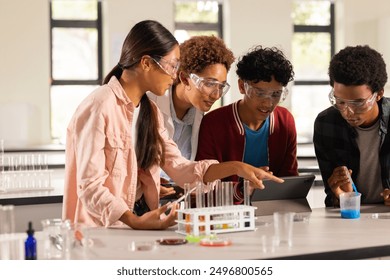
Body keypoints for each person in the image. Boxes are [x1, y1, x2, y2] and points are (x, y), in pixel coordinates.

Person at [62, 20, 283, 230]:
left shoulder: (150, 112)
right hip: (97, 230)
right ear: (146, 63)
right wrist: (134, 221)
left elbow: (180, 167)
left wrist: (236, 167)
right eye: (172, 65)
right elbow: (89, 186)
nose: (176, 74)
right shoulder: (100, 105)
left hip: (131, 224)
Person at [196, 45, 298, 203]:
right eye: (259, 92)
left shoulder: (285, 122)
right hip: (224, 215)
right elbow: (203, 183)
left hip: (271, 212)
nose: (268, 102)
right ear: (242, 86)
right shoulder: (213, 123)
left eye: (276, 94)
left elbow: (289, 180)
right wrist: (243, 190)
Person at [147, 35, 234, 199]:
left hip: (177, 200)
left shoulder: (201, 115)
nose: (216, 95)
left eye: (221, 86)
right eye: (209, 84)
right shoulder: (149, 104)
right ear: (185, 78)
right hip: (140, 201)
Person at [313, 45, 390, 207]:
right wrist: (339, 194)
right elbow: (334, 198)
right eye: (340, 102)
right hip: (350, 217)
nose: (348, 112)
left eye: (358, 103)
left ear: (379, 94)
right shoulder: (326, 123)